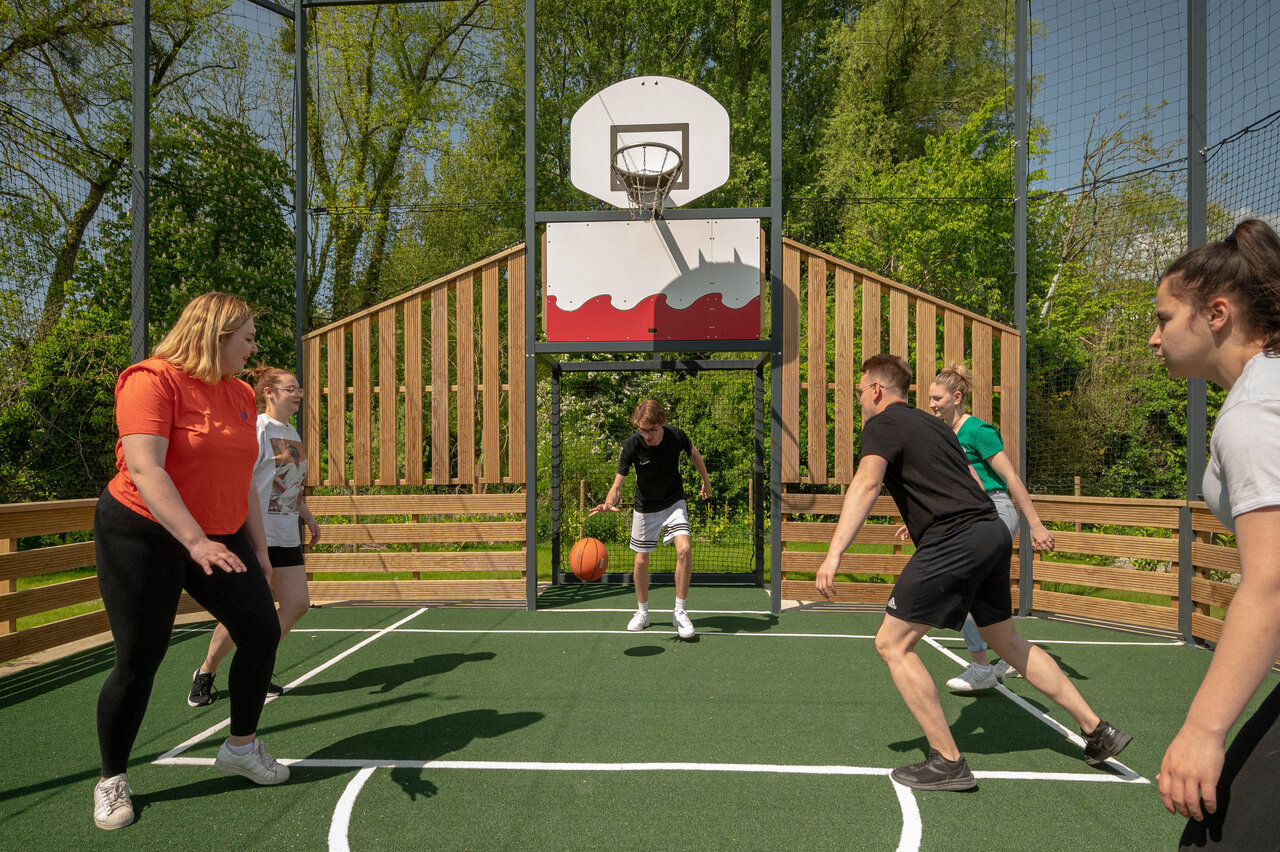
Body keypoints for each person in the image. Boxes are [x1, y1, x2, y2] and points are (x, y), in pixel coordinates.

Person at [816, 354, 1131, 791]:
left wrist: (834, 553)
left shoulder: (882, 424)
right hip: (990, 529)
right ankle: (1098, 731)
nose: (858, 399)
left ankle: (948, 762)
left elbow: (867, 483)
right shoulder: (936, 427)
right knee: (1006, 641)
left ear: (876, 390)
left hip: (956, 537)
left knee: (892, 643)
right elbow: (972, 483)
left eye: (859, 391)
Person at [92, 293, 289, 831]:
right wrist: (195, 543)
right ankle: (111, 779)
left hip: (220, 533)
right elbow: (146, 469)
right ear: (216, 336)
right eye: (247, 338)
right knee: (140, 658)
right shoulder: (150, 381)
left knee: (260, 630)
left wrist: (259, 550)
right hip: (141, 532)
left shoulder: (240, 393)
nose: (253, 349)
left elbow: (243, 478)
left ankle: (241, 747)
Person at [1149, 218, 1280, 849]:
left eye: (1165, 318)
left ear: (1217, 314)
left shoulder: (1255, 411)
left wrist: (1202, 730)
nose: (1154, 337)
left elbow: (1271, 580)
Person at [187, 366, 320, 707]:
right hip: (255, 534)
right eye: (290, 388)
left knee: (297, 604)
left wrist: (306, 514)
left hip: (286, 533)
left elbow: (288, 484)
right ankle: (206, 671)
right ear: (268, 393)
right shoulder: (258, 428)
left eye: (299, 389)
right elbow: (241, 479)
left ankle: (253, 666)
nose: (298, 394)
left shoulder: (291, 432)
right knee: (244, 615)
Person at [918, 363, 1056, 691]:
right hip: (967, 514)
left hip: (995, 511)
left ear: (957, 397)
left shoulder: (978, 431)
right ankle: (1008, 653)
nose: (931, 404)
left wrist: (1035, 524)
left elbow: (1011, 479)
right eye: (930, 398)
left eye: (937, 398)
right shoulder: (944, 434)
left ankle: (982, 664)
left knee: (960, 586)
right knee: (976, 591)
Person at [589, 399, 711, 639]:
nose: (647, 436)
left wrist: (706, 482)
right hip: (645, 507)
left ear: (662, 422)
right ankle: (643, 613)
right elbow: (617, 485)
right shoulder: (632, 445)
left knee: (684, 549)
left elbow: (695, 454)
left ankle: (680, 612)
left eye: (651, 430)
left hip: (673, 501)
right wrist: (609, 502)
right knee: (641, 561)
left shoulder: (676, 436)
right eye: (642, 430)